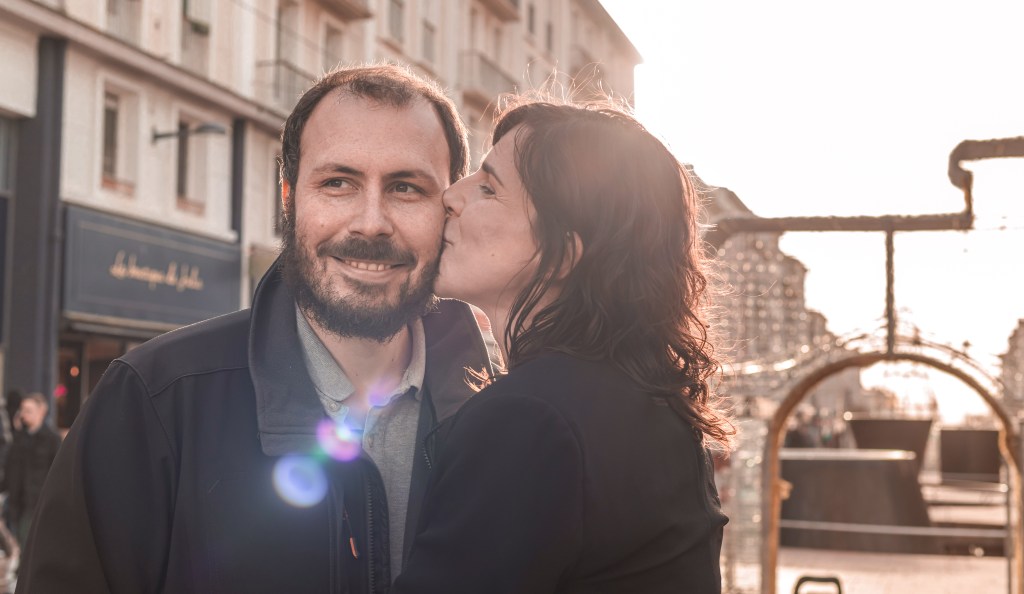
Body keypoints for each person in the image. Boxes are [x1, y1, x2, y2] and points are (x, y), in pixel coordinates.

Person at [17, 64, 498, 593]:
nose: (370, 221)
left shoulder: (503, 414)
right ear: (288, 198)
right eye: (338, 183)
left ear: (449, 209)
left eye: (406, 188)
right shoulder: (152, 400)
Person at [393, 98, 734, 594]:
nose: (450, 196)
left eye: (488, 187)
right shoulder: (652, 404)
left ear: (561, 256)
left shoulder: (528, 420)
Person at [3, 393, 60, 548]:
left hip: (37, 503)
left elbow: (57, 474)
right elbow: (9, 469)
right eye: (22, 409)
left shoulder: (52, 439)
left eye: (28, 410)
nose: (23, 414)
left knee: (30, 545)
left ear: (41, 411)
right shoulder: (18, 438)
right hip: (16, 504)